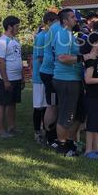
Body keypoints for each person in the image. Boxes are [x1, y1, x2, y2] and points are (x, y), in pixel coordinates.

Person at [52, 9, 84, 156]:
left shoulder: (70, 34)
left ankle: (70, 143)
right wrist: (83, 58)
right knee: (66, 114)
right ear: (65, 21)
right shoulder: (63, 35)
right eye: (72, 17)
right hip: (65, 79)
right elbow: (62, 58)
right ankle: (62, 146)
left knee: (76, 114)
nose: (75, 19)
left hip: (74, 79)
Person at [39, 10, 66, 144]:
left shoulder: (53, 29)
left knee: (54, 104)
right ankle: (49, 137)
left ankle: (51, 134)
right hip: (50, 73)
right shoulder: (57, 29)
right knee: (53, 105)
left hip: (50, 72)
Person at [0, 16, 24, 138]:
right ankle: (1, 130)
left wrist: (22, 77)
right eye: (16, 26)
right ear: (9, 27)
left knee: (12, 103)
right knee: (2, 103)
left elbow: (18, 59)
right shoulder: (2, 42)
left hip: (16, 78)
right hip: (6, 78)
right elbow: (0, 61)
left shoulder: (15, 41)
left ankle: (12, 127)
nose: (18, 28)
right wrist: (5, 80)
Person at [32, 12, 57, 143]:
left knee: (48, 105)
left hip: (48, 76)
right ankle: (37, 132)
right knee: (39, 106)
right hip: (40, 77)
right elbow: (41, 58)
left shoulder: (50, 35)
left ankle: (47, 132)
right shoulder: (42, 36)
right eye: (54, 22)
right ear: (48, 22)